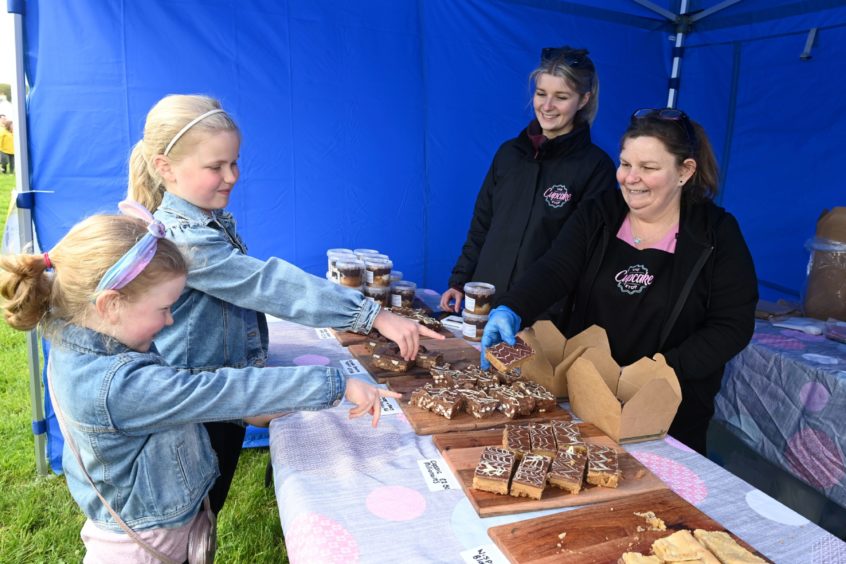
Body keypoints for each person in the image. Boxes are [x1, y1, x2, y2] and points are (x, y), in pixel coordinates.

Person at [0, 210, 400, 561]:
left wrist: (244, 413)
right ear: (110, 304)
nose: (171, 321)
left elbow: (177, 404)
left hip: (160, 527)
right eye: (164, 308)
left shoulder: (84, 340)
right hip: (144, 545)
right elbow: (215, 390)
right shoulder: (116, 384)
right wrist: (335, 384)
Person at [126, 94, 442, 515]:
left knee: (202, 515)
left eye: (234, 162)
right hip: (199, 404)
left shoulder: (207, 219)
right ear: (165, 167)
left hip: (220, 391)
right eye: (215, 167)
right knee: (190, 514)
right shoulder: (188, 239)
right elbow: (268, 285)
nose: (231, 176)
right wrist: (373, 314)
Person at [481, 108, 758, 454]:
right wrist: (511, 307)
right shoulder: (599, 213)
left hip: (667, 413)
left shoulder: (716, 234)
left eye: (649, 168)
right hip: (586, 398)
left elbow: (732, 324)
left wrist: (660, 371)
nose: (631, 178)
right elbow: (554, 269)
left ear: (685, 171)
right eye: (626, 164)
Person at [440, 46, 617, 315]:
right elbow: (481, 224)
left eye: (561, 97)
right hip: (485, 302)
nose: (547, 106)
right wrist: (460, 280)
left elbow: (584, 253)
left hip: (543, 313)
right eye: (541, 93)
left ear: (583, 100)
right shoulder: (509, 154)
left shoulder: (596, 167)